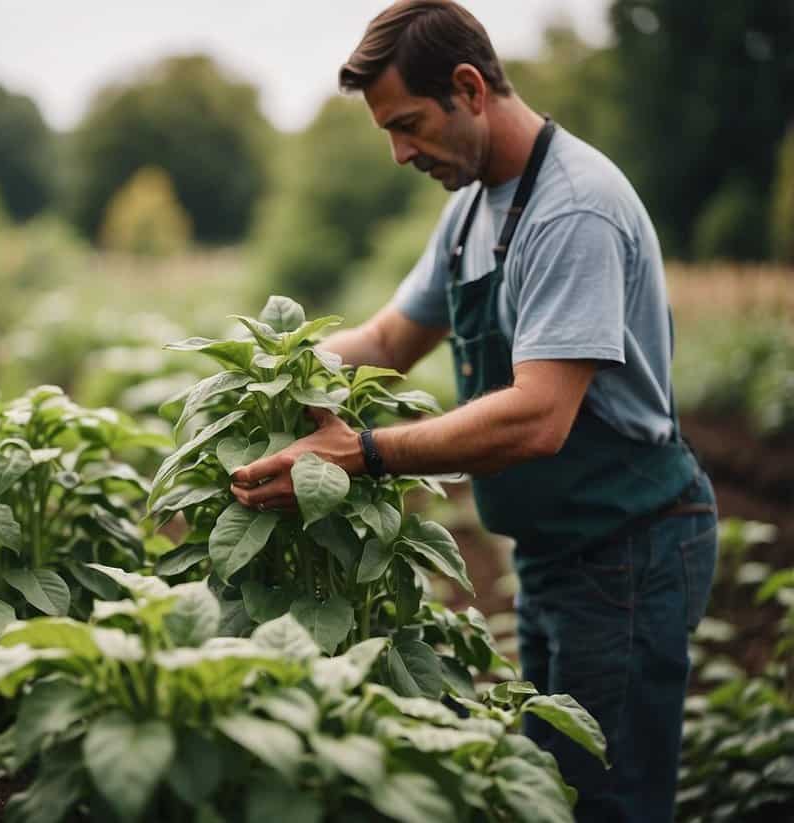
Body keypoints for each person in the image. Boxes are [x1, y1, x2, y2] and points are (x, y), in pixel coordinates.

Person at [228, 2, 719, 820]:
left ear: (469, 87)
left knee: (607, 801)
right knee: (552, 787)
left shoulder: (573, 209)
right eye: (388, 131)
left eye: (410, 124)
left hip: (629, 548)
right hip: (558, 549)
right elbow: (388, 337)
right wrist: (262, 374)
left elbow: (538, 417)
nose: (398, 153)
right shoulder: (472, 210)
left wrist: (366, 450)